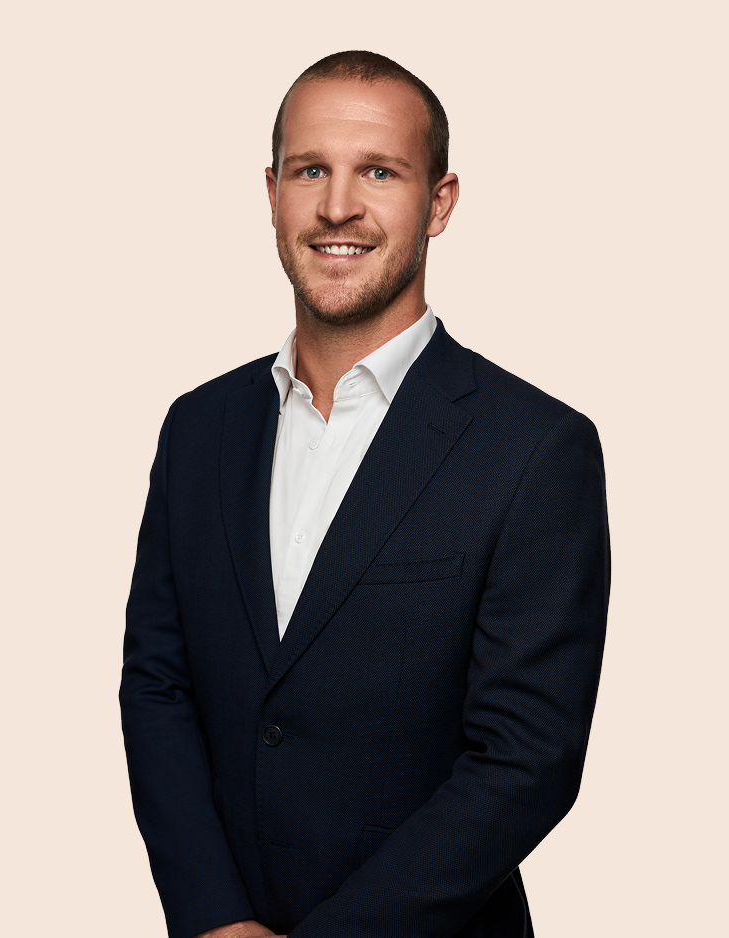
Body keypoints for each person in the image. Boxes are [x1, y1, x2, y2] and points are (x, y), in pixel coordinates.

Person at [120, 50, 610, 938]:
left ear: (440, 203)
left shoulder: (536, 449)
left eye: (379, 172)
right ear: (272, 192)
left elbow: (525, 761)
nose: (337, 206)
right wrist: (213, 918)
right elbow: (158, 684)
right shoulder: (198, 427)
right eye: (310, 170)